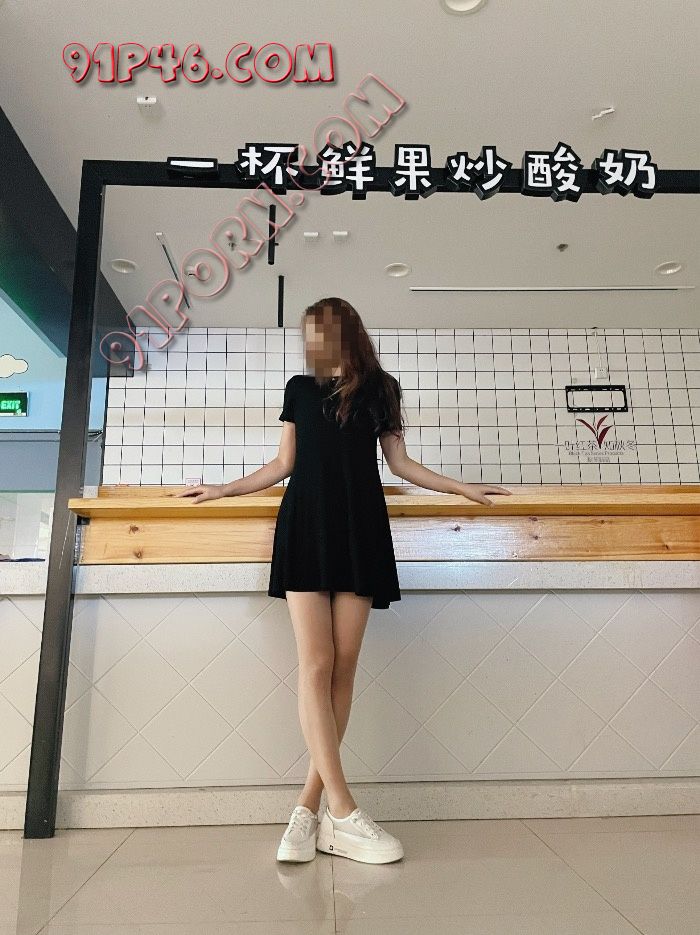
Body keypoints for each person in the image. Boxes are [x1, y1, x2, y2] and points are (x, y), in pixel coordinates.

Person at [173, 297, 512, 864]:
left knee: (343, 667)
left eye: (319, 331)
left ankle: (309, 811)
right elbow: (283, 464)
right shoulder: (299, 389)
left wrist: (461, 487)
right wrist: (223, 488)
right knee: (316, 664)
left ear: (343, 331)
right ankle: (345, 809)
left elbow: (400, 464)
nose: (312, 342)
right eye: (308, 333)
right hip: (305, 524)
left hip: (360, 528)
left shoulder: (381, 389)